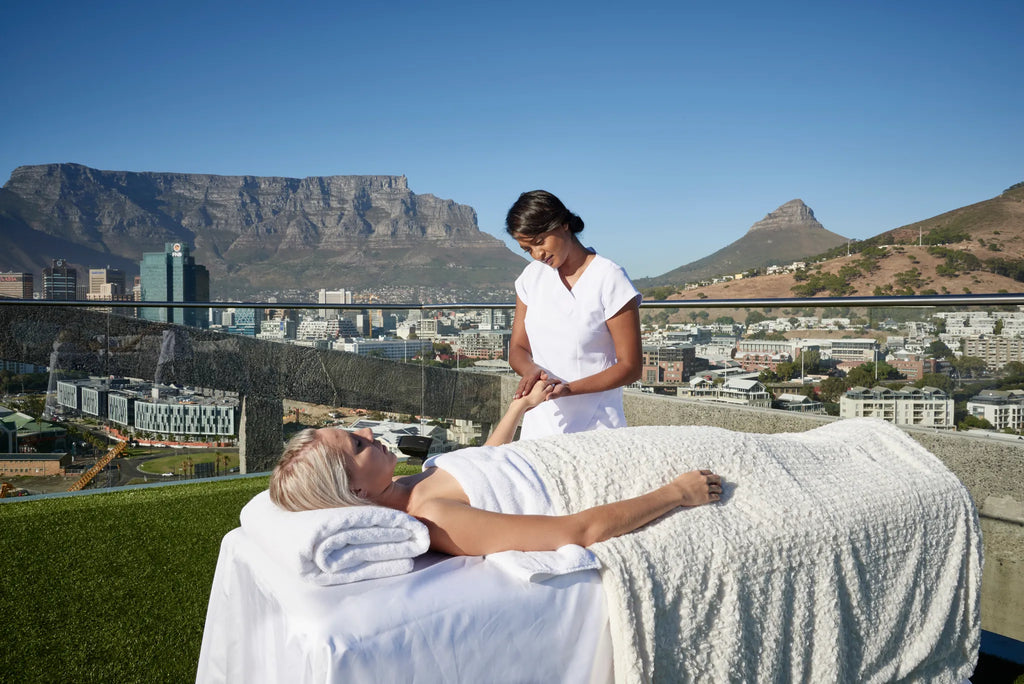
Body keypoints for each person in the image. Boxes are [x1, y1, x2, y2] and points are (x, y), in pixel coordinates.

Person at [270, 380, 722, 557]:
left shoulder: (410, 483)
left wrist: (518, 410)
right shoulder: (436, 518)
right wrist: (676, 494)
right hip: (589, 470)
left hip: (572, 448)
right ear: (357, 493)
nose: (369, 433)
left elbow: (485, 463)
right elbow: (573, 532)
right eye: (356, 445)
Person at [505, 190, 642, 440]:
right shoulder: (530, 279)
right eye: (528, 249)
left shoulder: (609, 278)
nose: (537, 255)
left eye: (539, 241)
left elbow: (631, 367)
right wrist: (531, 372)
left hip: (598, 427)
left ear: (563, 224)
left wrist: (568, 389)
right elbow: (518, 348)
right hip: (540, 422)